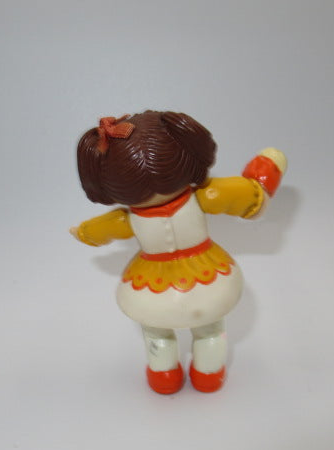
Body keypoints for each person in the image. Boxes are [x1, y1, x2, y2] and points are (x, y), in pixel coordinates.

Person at [71, 110, 286, 394]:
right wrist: (266, 170)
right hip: (204, 275)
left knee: (157, 332)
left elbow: (102, 229)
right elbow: (249, 195)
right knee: (208, 331)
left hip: (152, 284)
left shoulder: (130, 219)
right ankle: (208, 374)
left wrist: (84, 233)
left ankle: (164, 375)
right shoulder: (205, 196)